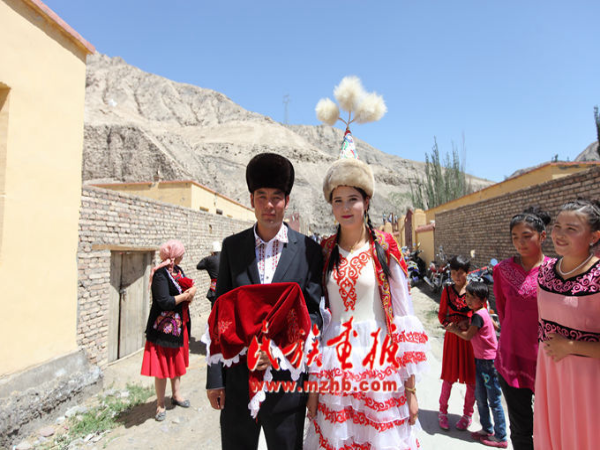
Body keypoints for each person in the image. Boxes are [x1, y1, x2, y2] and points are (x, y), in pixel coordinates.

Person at [304, 154, 429, 449]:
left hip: (379, 360)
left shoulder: (384, 246)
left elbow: (402, 317)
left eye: (353, 199)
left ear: (367, 201)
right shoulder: (324, 250)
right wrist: (313, 389)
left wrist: (410, 391)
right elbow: (317, 320)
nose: (346, 208)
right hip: (334, 360)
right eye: (338, 201)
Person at [205, 153, 323, 450]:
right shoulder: (233, 248)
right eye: (262, 196)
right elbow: (219, 314)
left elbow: (314, 315)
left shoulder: (308, 251)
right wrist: (215, 377)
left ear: (287, 200)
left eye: (276, 197)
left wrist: (279, 351)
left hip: (287, 386)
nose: (269, 205)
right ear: (251, 199)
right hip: (238, 384)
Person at [534, 198, 600, 450]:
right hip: (550, 375)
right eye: (558, 227)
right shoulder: (545, 271)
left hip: (588, 383)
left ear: (594, 236)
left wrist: (571, 346)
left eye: (571, 229)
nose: (560, 235)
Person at [493, 206, 550, 450]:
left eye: (527, 236)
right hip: (512, 358)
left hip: (548, 360)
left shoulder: (556, 271)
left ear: (542, 236)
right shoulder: (502, 270)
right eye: (515, 237)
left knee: (552, 424)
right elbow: (503, 311)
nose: (520, 243)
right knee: (520, 428)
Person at [446, 281, 508, 448]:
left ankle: (501, 436)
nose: (468, 300)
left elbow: (467, 336)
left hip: (487, 362)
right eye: (467, 296)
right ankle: (486, 429)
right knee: (481, 397)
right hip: (482, 361)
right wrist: (470, 323)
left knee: (493, 400)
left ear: (482, 300)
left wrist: (455, 330)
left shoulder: (478, 316)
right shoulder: (482, 312)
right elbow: (495, 326)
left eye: (472, 297)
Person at [141, 239, 197, 421]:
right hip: (163, 329)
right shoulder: (160, 274)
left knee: (176, 362)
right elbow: (164, 301)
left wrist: (191, 292)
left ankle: (176, 394)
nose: (182, 256)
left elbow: (183, 291)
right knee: (162, 366)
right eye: (180, 254)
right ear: (173, 255)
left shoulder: (178, 271)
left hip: (178, 326)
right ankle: (160, 404)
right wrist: (186, 295)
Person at [437, 255, 476, 431]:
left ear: (467, 272)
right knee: (449, 377)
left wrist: (468, 322)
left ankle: (467, 414)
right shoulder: (447, 291)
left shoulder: (474, 290)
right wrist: (449, 326)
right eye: (453, 273)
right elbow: (441, 315)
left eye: (460, 273)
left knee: (472, 380)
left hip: (470, 337)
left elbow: (481, 312)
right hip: (453, 337)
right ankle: (442, 412)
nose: (456, 277)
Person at [196, 241, 221, 307]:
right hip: (226, 286)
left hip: (215, 287)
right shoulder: (226, 257)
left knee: (215, 307)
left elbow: (199, 266)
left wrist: (207, 260)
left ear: (212, 252)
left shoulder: (209, 259)